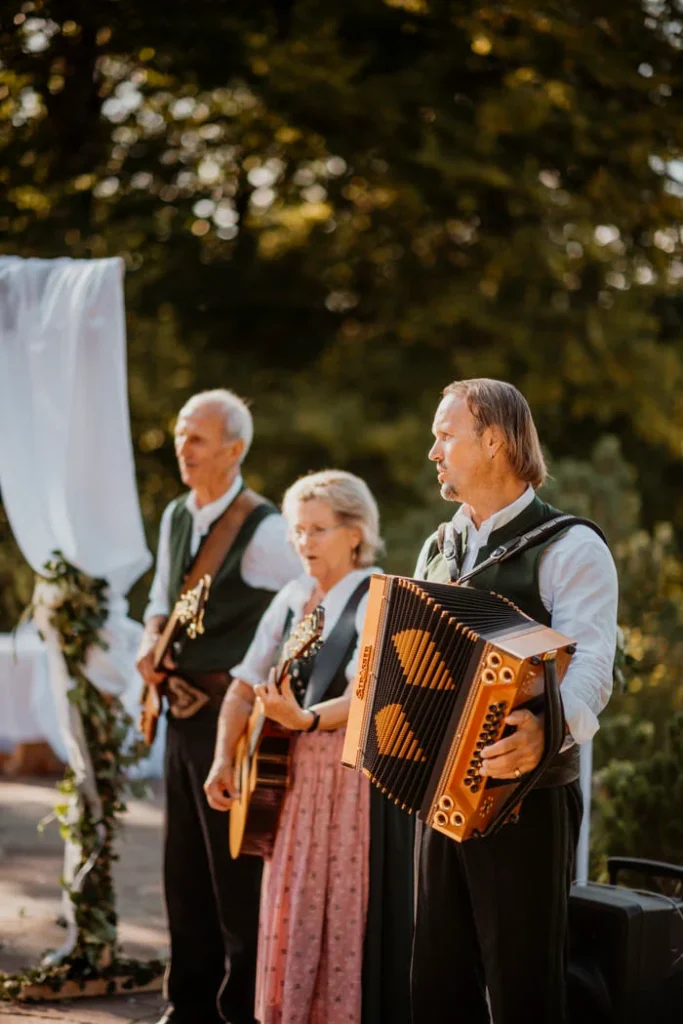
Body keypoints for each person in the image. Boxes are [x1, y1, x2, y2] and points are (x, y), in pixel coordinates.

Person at [410, 378, 619, 1024]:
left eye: (445, 435)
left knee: (522, 988)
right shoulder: (438, 548)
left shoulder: (569, 546)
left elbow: (592, 666)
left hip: (525, 804)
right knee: (437, 983)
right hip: (438, 797)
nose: (432, 450)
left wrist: (544, 730)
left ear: (493, 440)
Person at [205, 470, 414, 1024]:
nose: (303, 543)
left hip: (346, 784)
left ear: (355, 533)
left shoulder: (376, 599)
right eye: (297, 531)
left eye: (317, 530)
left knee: (338, 912)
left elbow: (370, 698)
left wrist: (304, 718)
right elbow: (244, 685)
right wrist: (224, 758)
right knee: (288, 908)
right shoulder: (292, 597)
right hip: (286, 784)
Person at [136, 389, 300, 1024]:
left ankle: (243, 1010)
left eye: (197, 438)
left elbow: (310, 605)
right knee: (182, 872)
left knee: (234, 874)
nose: (183, 447)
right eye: (180, 433)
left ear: (234, 451)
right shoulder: (178, 513)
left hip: (233, 721)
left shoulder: (264, 530)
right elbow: (159, 595)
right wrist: (152, 638)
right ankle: (190, 1005)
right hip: (178, 717)